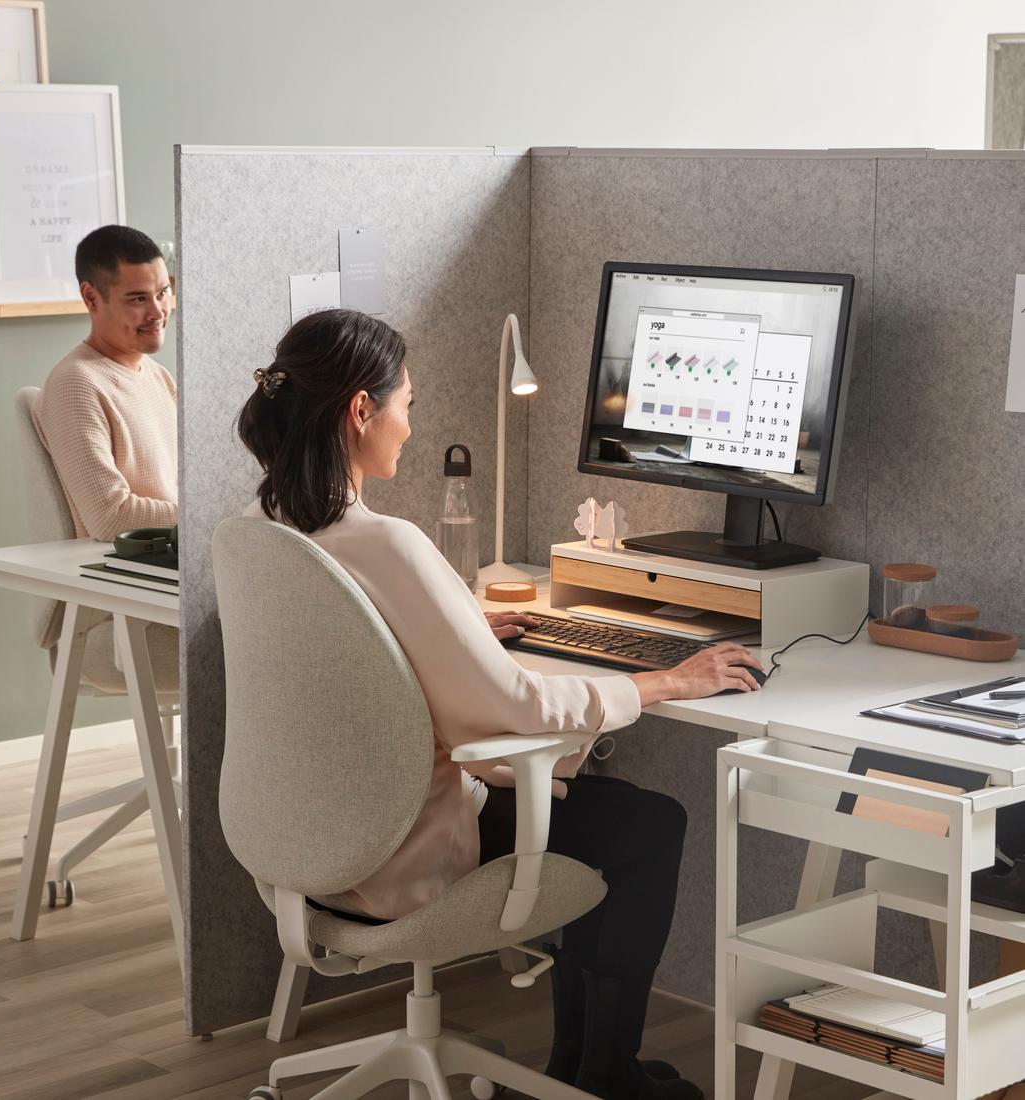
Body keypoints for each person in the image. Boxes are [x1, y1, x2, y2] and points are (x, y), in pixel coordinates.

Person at [236, 308, 764, 1100]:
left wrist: (449, 628)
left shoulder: (260, 529)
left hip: (305, 852)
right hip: (403, 863)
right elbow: (512, 702)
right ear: (359, 411)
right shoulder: (384, 544)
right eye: (406, 405)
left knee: (608, 816)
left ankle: (579, 1070)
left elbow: (354, 647)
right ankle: (603, 1074)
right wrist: (667, 681)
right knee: (649, 826)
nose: (411, 427)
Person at [32, 225, 178, 690]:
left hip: (166, 589)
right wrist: (211, 516)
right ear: (92, 298)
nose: (157, 311)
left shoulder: (157, 377)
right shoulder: (78, 384)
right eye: (138, 298)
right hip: (114, 616)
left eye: (164, 292)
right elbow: (109, 516)